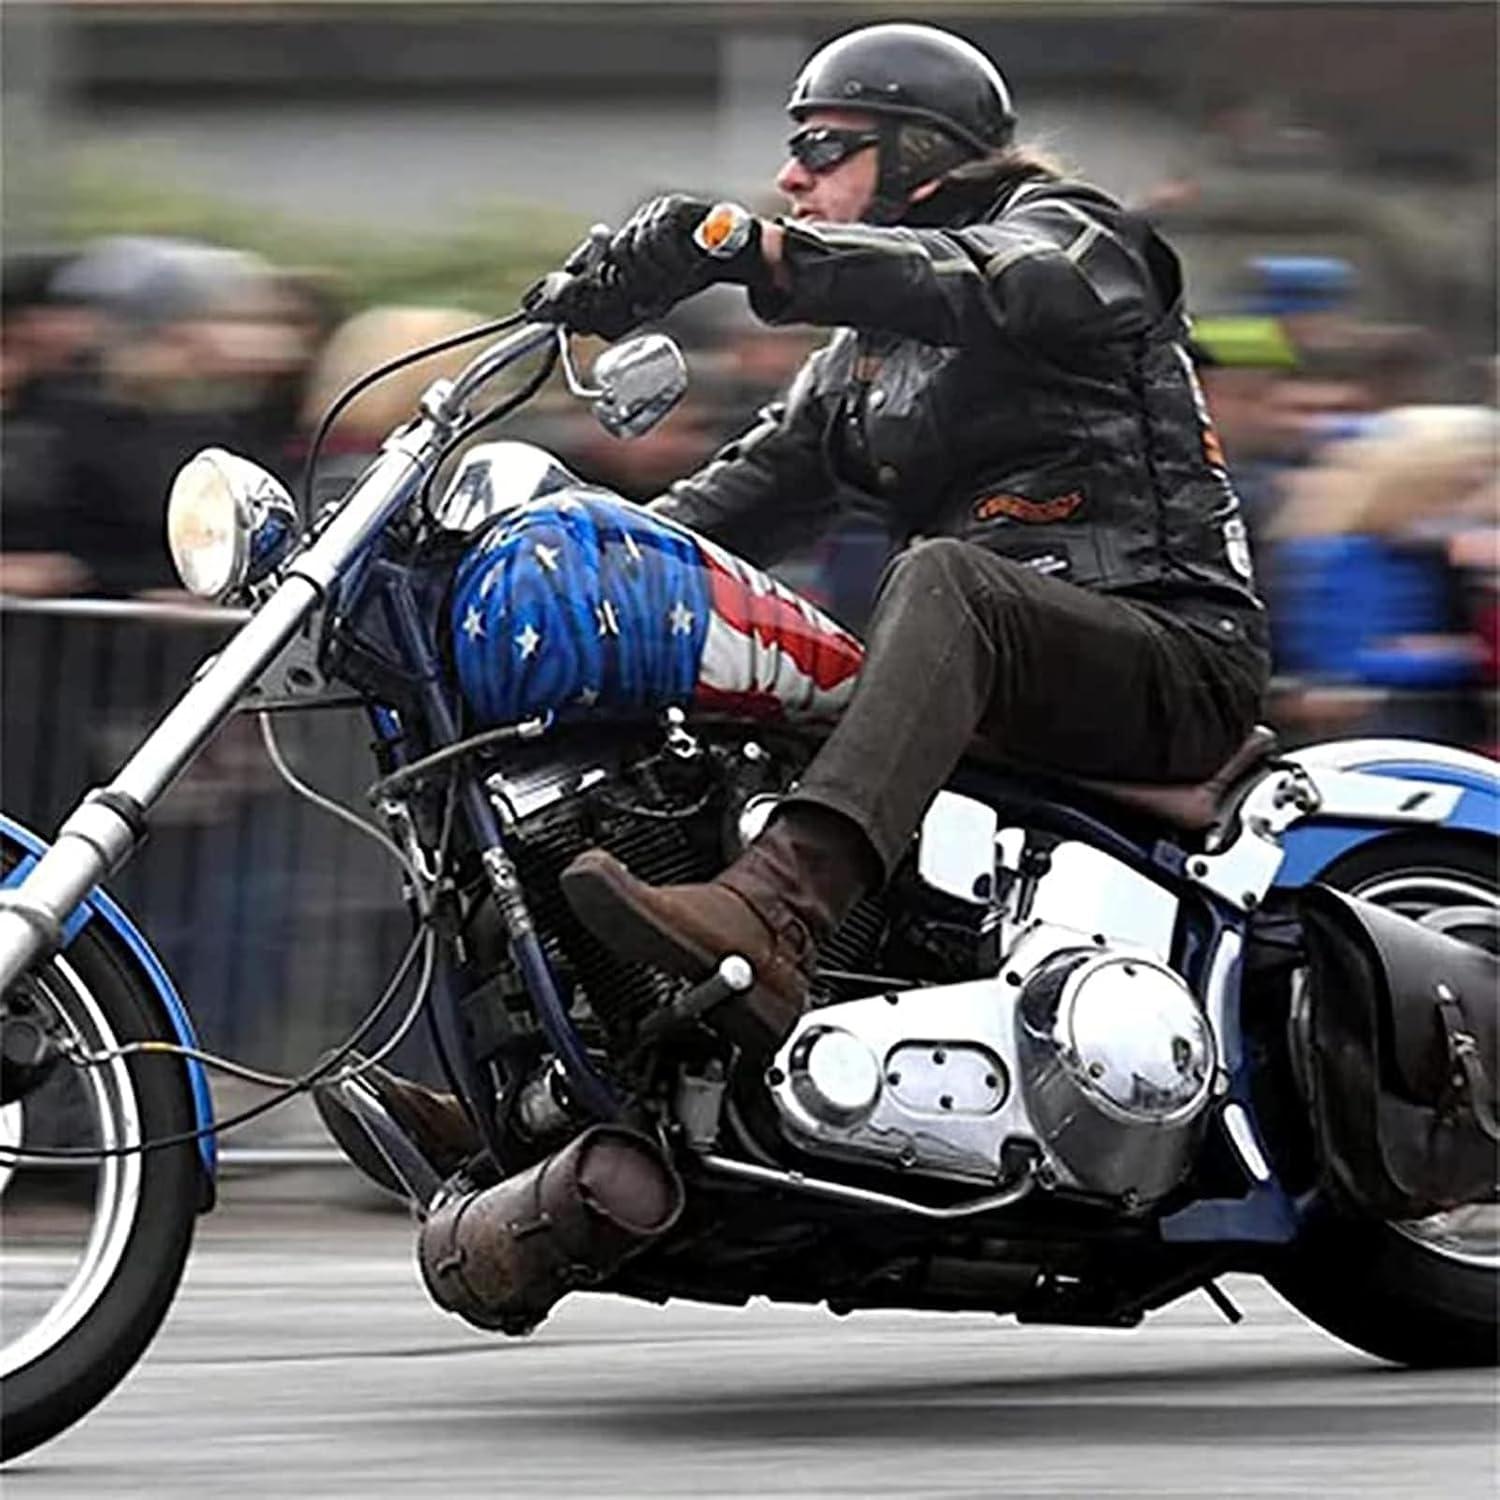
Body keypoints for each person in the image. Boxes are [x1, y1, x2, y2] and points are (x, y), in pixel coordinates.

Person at [316, 22, 1270, 1183]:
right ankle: (573, 1078)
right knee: (697, 723)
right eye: (795, 155)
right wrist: (542, 559)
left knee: (945, 580)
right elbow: (735, 498)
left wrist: (749, 251)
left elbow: (989, 284)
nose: (792, 177)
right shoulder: (862, 367)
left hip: (1165, 652)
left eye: (824, 148)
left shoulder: (1077, 241)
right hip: (989, 677)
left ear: (921, 153)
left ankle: (776, 915)